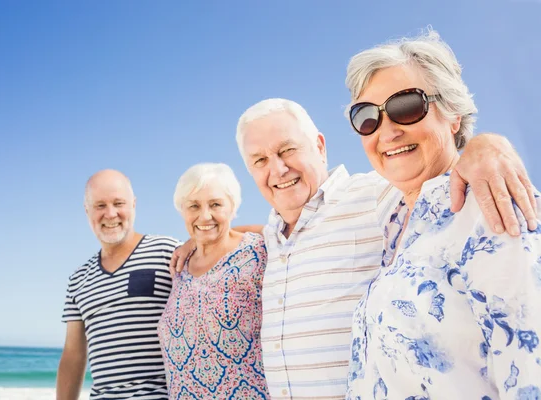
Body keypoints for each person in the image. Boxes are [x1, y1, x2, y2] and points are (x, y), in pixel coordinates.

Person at [173, 95, 538, 398]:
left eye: (288, 150)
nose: (278, 169)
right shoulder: (269, 236)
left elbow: (436, 174)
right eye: (261, 160)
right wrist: (202, 237)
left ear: (319, 145)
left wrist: (486, 145)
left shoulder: (374, 195)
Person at [344, 29, 541, 399]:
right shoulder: (394, 220)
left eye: (405, 106)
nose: (386, 131)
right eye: (367, 116)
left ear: (453, 115)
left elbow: (531, 368)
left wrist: (488, 144)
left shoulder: (490, 205)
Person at [57, 169, 180, 400]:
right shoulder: (78, 279)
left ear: (133, 205)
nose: (110, 214)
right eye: (100, 205)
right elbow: (73, 355)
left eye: (118, 203)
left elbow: (218, 247)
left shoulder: (168, 251)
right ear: (87, 211)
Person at [157, 163, 270, 399]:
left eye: (216, 204)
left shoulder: (258, 250)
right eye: (194, 206)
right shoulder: (179, 267)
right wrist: (193, 242)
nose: (205, 215)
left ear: (232, 207)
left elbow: (287, 229)